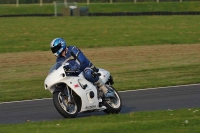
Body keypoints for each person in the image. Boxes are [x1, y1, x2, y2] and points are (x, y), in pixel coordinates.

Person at [50, 37, 114, 98]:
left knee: (88, 74)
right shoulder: (59, 59)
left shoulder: (72, 49)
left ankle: (105, 90)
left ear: (61, 45)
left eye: (55, 48)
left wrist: (75, 67)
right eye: (53, 50)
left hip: (86, 67)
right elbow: (58, 69)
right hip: (75, 74)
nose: (54, 51)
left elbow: (82, 59)